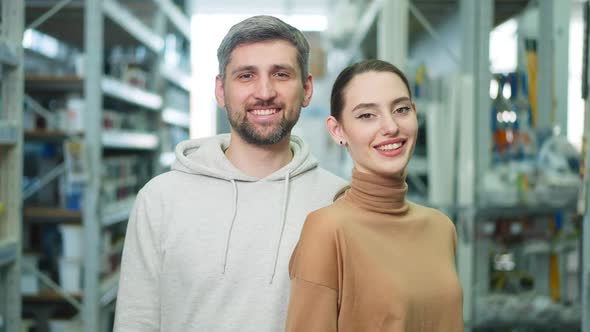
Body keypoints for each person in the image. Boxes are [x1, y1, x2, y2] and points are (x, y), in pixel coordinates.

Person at [114, 15, 346, 332]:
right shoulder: (160, 199)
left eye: (281, 74)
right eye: (246, 76)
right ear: (221, 90)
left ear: (306, 89)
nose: (264, 92)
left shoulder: (340, 202)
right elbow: (135, 321)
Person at [285, 59, 464, 331]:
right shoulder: (327, 230)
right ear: (338, 130)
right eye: (367, 115)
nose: (391, 126)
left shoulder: (441, 228)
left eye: (401, 109)